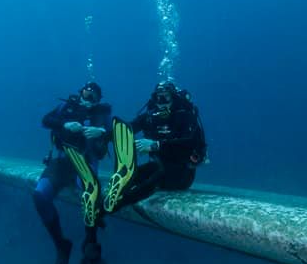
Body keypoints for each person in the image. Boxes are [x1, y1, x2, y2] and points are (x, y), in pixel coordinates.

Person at [64, 80, 206, 239]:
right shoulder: (150, 117)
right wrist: (103, 133)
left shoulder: (184, 116)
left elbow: (191, 142)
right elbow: (127, 129)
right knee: (133, 176)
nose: (161, 102)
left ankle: (106, 209)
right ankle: (102, 205)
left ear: (174, 98)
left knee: (154, 179)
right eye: (158, 98)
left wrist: (156, 145)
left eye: (165, 97)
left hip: (183, 173)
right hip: (158, 165)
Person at [33, 81, 111, 264]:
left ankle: (91, 244)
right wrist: (65, 124)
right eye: (86, 93)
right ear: (80, 93)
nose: (89, 98)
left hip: (86, 163)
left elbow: (120, 134)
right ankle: (61, 244)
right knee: (40, 195)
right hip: (61, 162)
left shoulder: (101, 114)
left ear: (99, 99)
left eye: (94, 96)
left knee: (89, 192)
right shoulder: (66, 108)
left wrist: (102, 132)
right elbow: (45, 120)